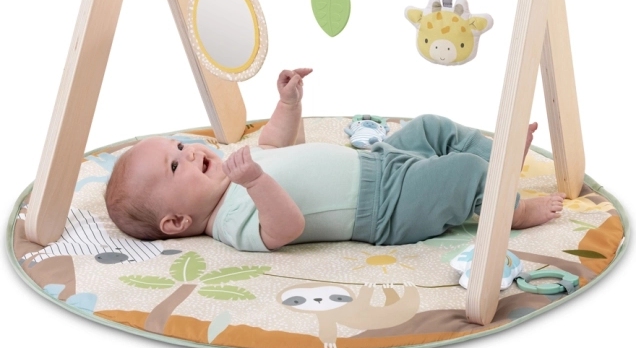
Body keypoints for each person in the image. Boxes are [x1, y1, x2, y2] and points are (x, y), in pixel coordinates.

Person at [105, 68, 565, 250]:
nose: (188, 153)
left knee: (430, 126)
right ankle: (510, 209)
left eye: (178, 147)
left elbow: (277, 144)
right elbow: (285, 228)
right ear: (177, 222)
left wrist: (288, 105)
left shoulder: (233, 168)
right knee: (463, 173)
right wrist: (255, 182)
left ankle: (500, 162)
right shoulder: (229, 222)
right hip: (385, 209)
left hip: (377, 161)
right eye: (174, 166)